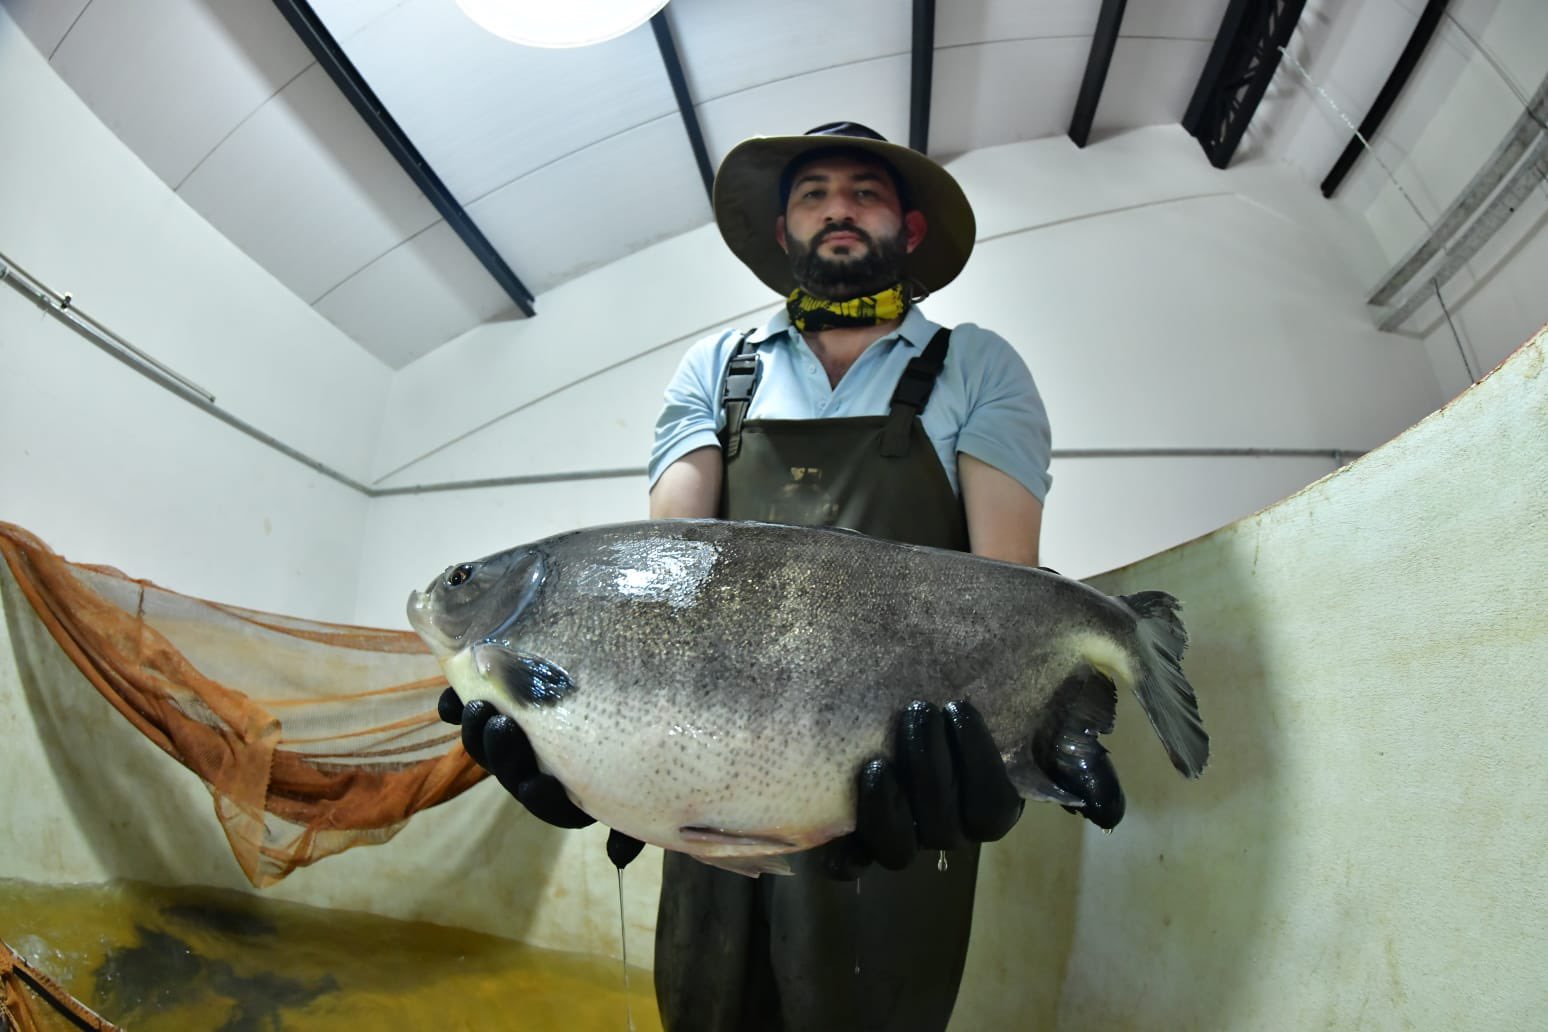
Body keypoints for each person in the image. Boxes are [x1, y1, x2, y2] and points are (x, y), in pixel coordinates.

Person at [441, 122, 1067, 1032]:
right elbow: (668, 579)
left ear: (912, 230)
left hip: (893, 784)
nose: (838, 209)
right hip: (712, 784)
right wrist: (596, 761)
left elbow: (1005, 596)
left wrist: (992, 754)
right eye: (812, 195)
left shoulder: (976, 367)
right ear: (784, 234)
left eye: (865, 191)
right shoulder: (715, 371)